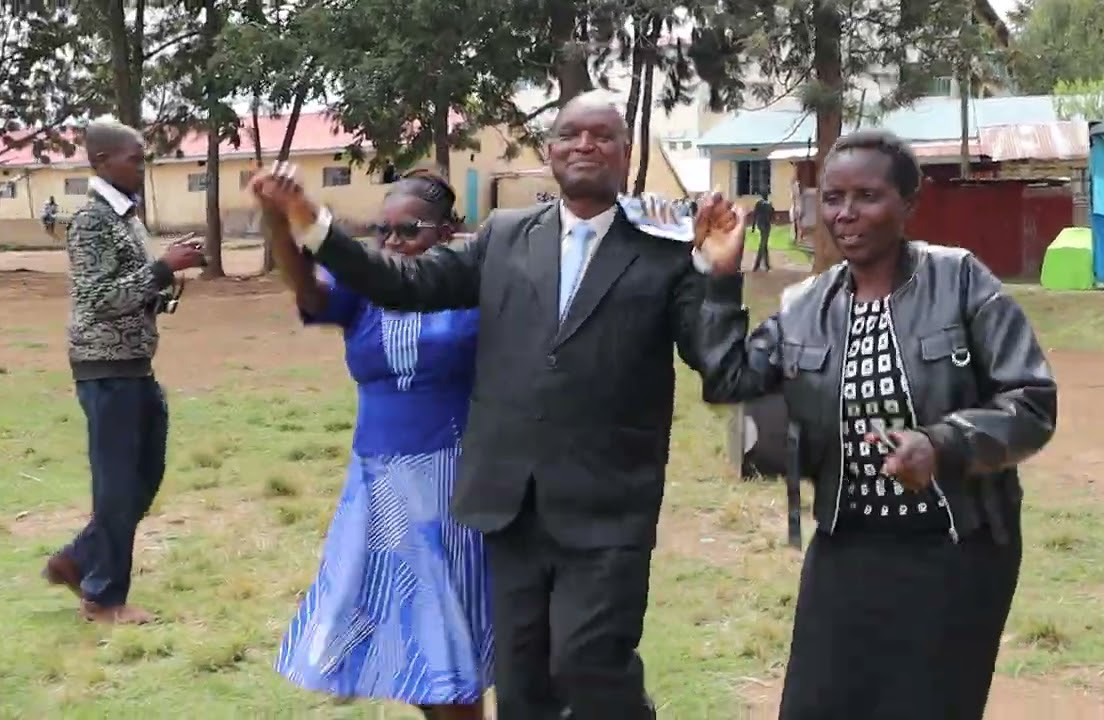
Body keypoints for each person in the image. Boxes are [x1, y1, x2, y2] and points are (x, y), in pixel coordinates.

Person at [252, 91, 742, 720]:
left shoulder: (665, 248)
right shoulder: (505, 238)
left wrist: (718, 276)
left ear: (626, 153)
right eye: (569, 134)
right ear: (550, 152)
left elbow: (719, 366)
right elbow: (399, 282)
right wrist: (312, 222)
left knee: (589, 665)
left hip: (607, 505)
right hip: (510, 508)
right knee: (522, 688)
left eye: (602, 135)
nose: (584, 145)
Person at [692, 130, 1057, 720]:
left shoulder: (961, 281)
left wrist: (941, 445)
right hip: (846, 546)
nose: (846, 213)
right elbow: (729, 381)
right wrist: (720, 277)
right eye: (834, 197)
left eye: (867, 196)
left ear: (908, 203)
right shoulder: (804, 306)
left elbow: (1031, 402)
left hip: (955, 550)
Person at [266, 172, 492, 720]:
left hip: (451, 485)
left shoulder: (470, 287)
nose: (392, 241)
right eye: (381, 231)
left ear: (446, 233)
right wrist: (277, 217)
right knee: (406, 634)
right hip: (378, 486)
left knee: (448, 639)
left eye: (409, 230)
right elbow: (307, 290)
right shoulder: (364, 287)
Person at [41, 122, 205, 625]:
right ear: (102, 161)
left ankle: (78, 559)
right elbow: (98, 298)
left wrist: (164, 285)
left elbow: (129, 290)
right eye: (134, 158)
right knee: (116, 486)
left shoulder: (125, 218)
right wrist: (163, 267)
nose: (142, 166)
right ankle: (104, 598)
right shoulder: (91, 221)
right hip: (105, 367)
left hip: (134, 365)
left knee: (144, 475)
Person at [750, 193, 775, 272]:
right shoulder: (768, 204)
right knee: (763, 244)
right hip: (765, 225)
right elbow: (772, 216)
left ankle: (766, 265)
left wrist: (753, 226)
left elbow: (755, 214)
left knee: (764, 245)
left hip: (761, 224)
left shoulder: (759, 203)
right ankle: (757, 266)